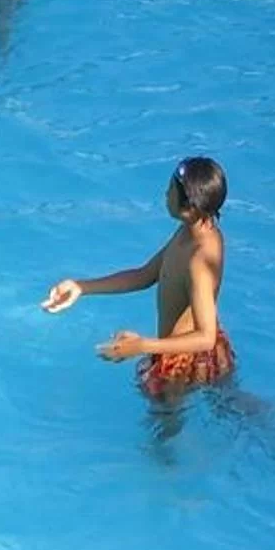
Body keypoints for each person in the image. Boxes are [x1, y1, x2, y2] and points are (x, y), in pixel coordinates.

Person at [41, 156, 236, 394]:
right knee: (228, 404)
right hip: (189, 352)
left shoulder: (199, 260)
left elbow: (205, 337)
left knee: (165, 427)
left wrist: (142, 346)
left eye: (170, 190)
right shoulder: (191, 231)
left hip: (183, 363)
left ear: (190, 207)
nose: (165, 194)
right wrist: (82, 287)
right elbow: (145, 275)